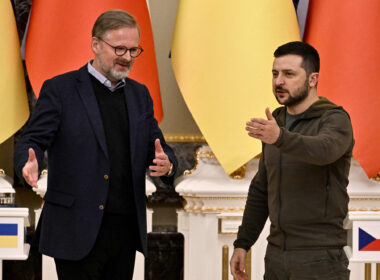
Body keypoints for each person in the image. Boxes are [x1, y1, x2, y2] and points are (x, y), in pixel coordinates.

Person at [14, 9, 177, 280]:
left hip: (124, 231)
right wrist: (25, 163)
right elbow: (31, 140)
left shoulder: (140, 95)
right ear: (95, 44)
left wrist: (167, 163)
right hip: (75, 230)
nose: (126, 57)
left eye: (134, 50)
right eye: (119, 48)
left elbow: (158, 146)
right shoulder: (60, 90)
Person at [230, 41, 354, 280]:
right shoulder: (277, 122)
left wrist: (280, 138)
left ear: (312, 79)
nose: (278, 81)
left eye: (289, 74)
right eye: (275, 74)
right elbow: (261, 189)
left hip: (320, 258)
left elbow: (323, 150)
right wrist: (243, 243)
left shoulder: (335, 120)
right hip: (276, 255)